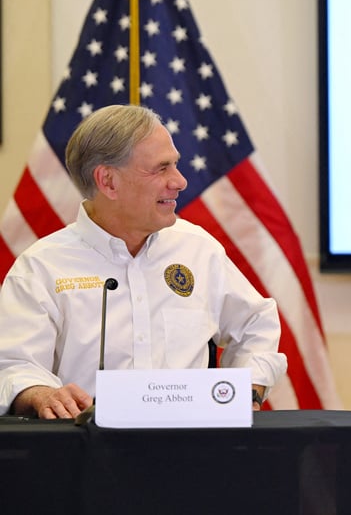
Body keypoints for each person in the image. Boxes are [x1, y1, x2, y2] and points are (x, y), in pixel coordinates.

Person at [0, 105, 287, 419]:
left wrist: (247, 389)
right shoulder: (41, 267)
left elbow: (255, 324)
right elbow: (14, 365)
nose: (179, 181)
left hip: (193, 451)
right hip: (86, 454)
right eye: (161, 169)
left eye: (175, 165)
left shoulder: (197, 249)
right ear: (108, 181)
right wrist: (39, 393)